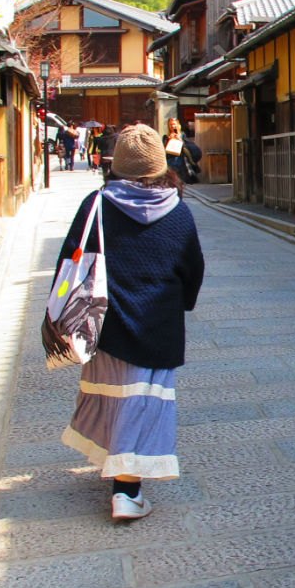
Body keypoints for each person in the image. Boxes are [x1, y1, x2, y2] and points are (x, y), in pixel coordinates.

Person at [57, 123, 204, 520]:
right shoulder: (179, 212)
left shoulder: (97, 204)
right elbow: (193, 270)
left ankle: (122, 479)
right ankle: (127, 491)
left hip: (105, 325)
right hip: (158, 324)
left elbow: (71, 258)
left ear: (116, 165)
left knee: (114, 396)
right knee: (139, 402)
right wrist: (181, 305)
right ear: (160, 166)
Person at [164, 118, 201, 184]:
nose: (173, 126)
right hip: (170, 160)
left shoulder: (182, 135)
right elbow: (164, 150)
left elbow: (187, 147)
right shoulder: (166, 137)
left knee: (180, 180)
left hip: (181, 160)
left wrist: (179, 139)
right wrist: (169, 140)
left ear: (178, 125)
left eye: (174, 124)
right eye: (171, 125)